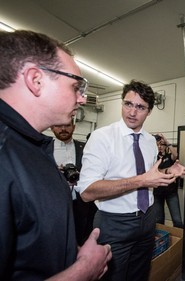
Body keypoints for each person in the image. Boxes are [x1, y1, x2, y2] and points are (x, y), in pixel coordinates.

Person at [0, 29, 112, 280]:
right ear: (35, 79)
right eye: (75, 86)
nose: (82, 99)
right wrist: (84, 271)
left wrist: (70, 256)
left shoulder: (31, 147)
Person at [76, 79, 185, 281]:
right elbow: (87, 191)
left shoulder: (149, 142)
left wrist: (168, 171)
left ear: (149, 111)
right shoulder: (102, 137)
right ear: (122, 103)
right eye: (128, 104)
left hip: (148, 219)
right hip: (114, 224)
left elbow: (149, 177)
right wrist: (141, 181)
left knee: (139, 276)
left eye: (140, 107)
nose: (132, 112)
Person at [51, 119, 97, 246]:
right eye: (58, 125)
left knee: (81, 237)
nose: (63, 129)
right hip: (55, 203)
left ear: (74, 127)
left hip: (81, 203)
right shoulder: (45, 149)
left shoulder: (85, 148)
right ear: (52, 127)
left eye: (67, 125)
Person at [153, 133, 183, 228]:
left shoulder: (169, 156)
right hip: (157, 193)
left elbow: (175, 154)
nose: (160, 147)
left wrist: (166, 140)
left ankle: (180, 241)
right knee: (159, 220)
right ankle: (161, 241)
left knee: (177, 220)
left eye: (162, 145)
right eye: (158, 145)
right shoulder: (154, 158)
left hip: (171, 192)